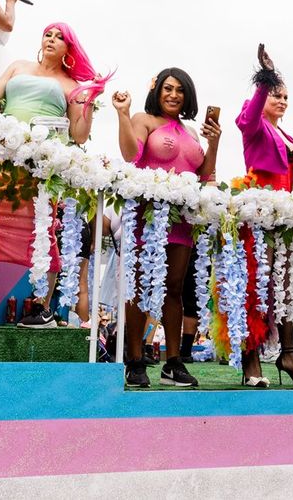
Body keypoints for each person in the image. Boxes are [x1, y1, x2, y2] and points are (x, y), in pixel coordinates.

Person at [0, 22, 110, 327]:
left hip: (38, 171)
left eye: (59, 37)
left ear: (69, 48)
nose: (51, 40)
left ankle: (42, 307)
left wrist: (90, 99)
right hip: (0, 159)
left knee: (42, 232)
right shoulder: (18, 66)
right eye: (48, 34)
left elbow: (79, 135)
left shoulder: (72, 85)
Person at [112, 68, 221, 388]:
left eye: (180, 90)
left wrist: (214, 143)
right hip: (147, 216)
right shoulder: (144, 120)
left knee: (174, 288)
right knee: (140, 286)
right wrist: (122, 114)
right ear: (157, 91)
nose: (174, 95)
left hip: (182, 220)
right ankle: (134, 361)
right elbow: (131, 155)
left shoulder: (191, 131)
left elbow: (204, 174)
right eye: (168, 88)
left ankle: (173, 363)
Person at [237, 44, 293, 387]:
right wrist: (266, 78)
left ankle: (289, 355)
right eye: (276, 95)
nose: (282, 100)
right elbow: (249, 116)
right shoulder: (253, 123)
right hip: (258, 216)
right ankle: (251, 359)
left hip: (285, 220)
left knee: (285, 290)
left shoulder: (289, 137)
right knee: (257, 288)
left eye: (286, 96)